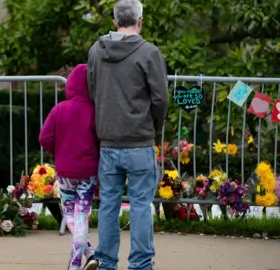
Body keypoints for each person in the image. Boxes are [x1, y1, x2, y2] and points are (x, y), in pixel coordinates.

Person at [86, 0, 169, 269]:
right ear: (140, 21)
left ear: (114, 22)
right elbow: (161, 99)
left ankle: (106, 262)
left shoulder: (96, 52)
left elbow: (92, 91)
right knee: (141, 206)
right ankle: (141, 265)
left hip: (108, 142)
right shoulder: (149, 53)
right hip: (139, 142)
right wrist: (152, 128)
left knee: (108, 206)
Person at [39, 64, 99, 270]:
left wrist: (58, 151)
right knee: (81, 215)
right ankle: (89, 253)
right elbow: (101, 140)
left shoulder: (59, 109)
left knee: (70, 215)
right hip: (88, 173)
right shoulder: (95, 111)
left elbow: (44, 137)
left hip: (65, 173)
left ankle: (76, 263)